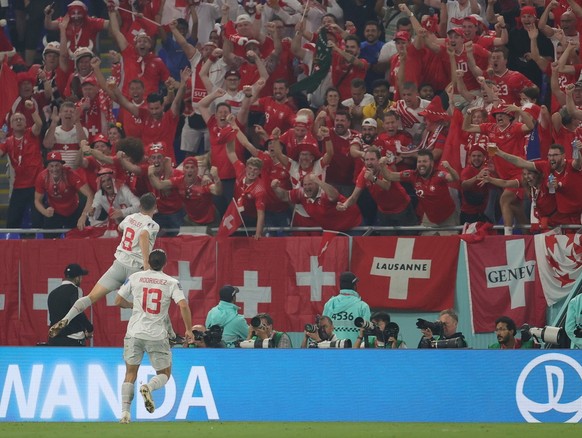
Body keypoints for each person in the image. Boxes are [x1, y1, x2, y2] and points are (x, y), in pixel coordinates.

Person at [48, 193, 159, 338]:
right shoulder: (153, 224)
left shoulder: (130, 218)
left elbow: (120, 228)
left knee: (91, 297)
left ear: (140, 206)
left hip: (118, 265)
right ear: (155, 208)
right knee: (147, 303)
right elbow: (144, 235)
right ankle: (152, 335)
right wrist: (146, 265)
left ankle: (66, 319)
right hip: (135, 270)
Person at [114, 249, 194, 423]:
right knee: (164, 373)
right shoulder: (171, 282)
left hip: (134, 332)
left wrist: (133, 306)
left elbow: (118, 300)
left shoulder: (135, 277)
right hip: (157, 335)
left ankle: (125, 414)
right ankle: (149, 387)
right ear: (165, 263)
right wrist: (188, 329)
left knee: (130, 373)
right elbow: (183, 305)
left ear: (148, 262)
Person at [47, 264, 94, 347]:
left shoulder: (52, 293)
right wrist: (89, 328)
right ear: (77, 278)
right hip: (73, 340)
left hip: (54, 341)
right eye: (81, 277)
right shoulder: (76, 290)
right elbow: (78, 311)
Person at [322, 272, 371, 344]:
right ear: (354, 286)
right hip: (354, 351)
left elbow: (322, 330)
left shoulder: (329, 304)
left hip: (332, 350)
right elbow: (366, 333)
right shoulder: (363, 306)